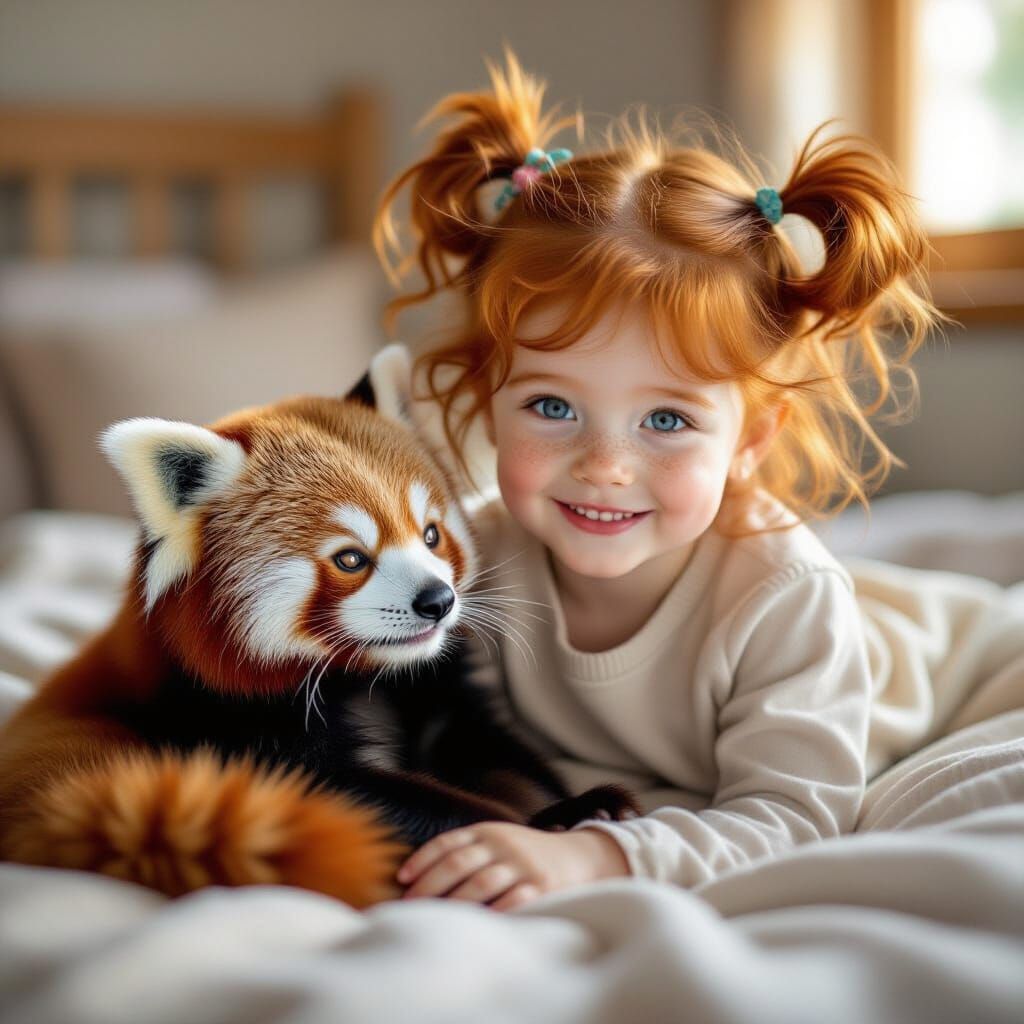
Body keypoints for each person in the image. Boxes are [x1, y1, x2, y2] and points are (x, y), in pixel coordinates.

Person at [371, 50, 1024, 912]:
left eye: (668, 420)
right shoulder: (469, 562)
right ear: (488, 401)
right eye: (552, 406)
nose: (605, 465)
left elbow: (793, 812)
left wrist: (596, 859)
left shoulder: (784, 599)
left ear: (751, 439)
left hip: (966, 664)